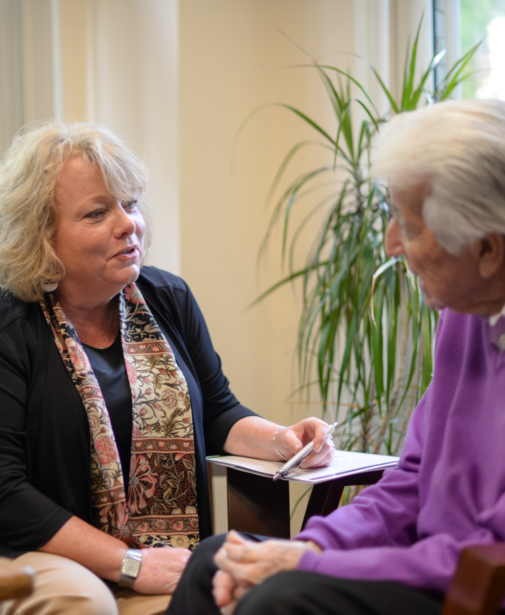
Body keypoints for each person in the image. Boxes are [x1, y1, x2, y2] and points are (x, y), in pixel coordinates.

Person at [166, 98, 505, 615]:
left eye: (411, 228)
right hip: (425, 569)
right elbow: (410, 483)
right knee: (217, 559)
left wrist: (310, 568)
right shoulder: (464, 316)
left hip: (473, 590)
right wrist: (311, 547)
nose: (392, 243)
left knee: (276, 600)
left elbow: (483, 555)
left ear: (488, 249)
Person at [0, 122, 335, 615]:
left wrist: (281, 440)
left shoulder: (166, 298)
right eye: (97, 212)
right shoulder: (13, 325)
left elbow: (218, 412)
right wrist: (130, 563)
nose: (126, 224)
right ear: (41, 234)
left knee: (264, 589)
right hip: (35, 551)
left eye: (130, 204)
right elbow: (5, 492)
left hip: (158, 554)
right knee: (89, 602)